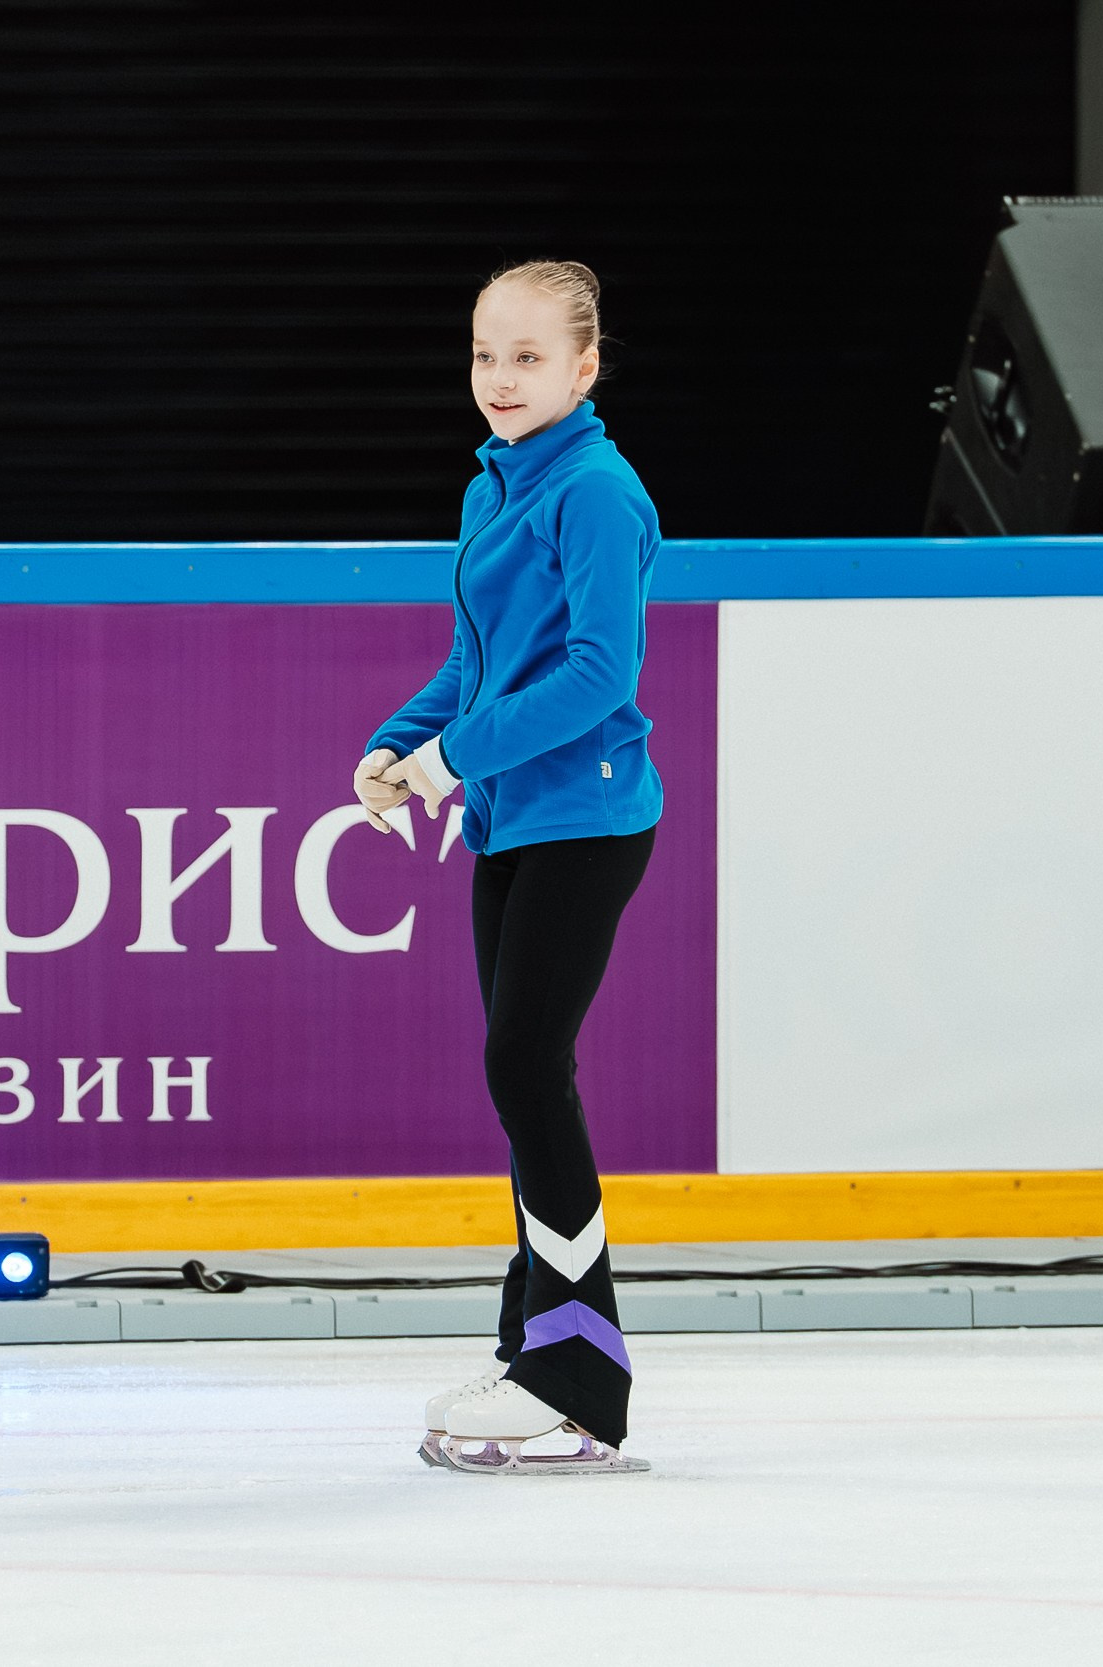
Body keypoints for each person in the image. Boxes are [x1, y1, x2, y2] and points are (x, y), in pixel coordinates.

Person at [357, 260, 661, 1477]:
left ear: (584, 369)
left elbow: (599, 675)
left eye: (530, 357)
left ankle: (577, 1373)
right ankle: (536, 1341)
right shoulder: (498, 484)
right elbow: (476, 661)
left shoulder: (592, 488)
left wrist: (442, 764)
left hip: (585, 818)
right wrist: (395, 740)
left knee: (525, 1064)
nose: (501, 378)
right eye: (488, 354)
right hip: (513, 816)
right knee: (522, 1075)